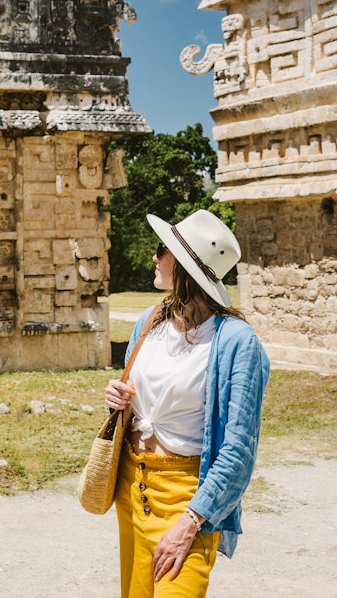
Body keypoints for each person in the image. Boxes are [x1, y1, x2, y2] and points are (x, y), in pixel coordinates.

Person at [103, 209, 270, 597]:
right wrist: (118, 399)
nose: (154, 257)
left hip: (187, 501)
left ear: (183, 263)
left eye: (162, 249)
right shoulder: (150, 320)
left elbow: (239, 450)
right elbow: (137, 407)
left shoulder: (237, 343)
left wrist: (192, 521)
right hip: (133, 485)